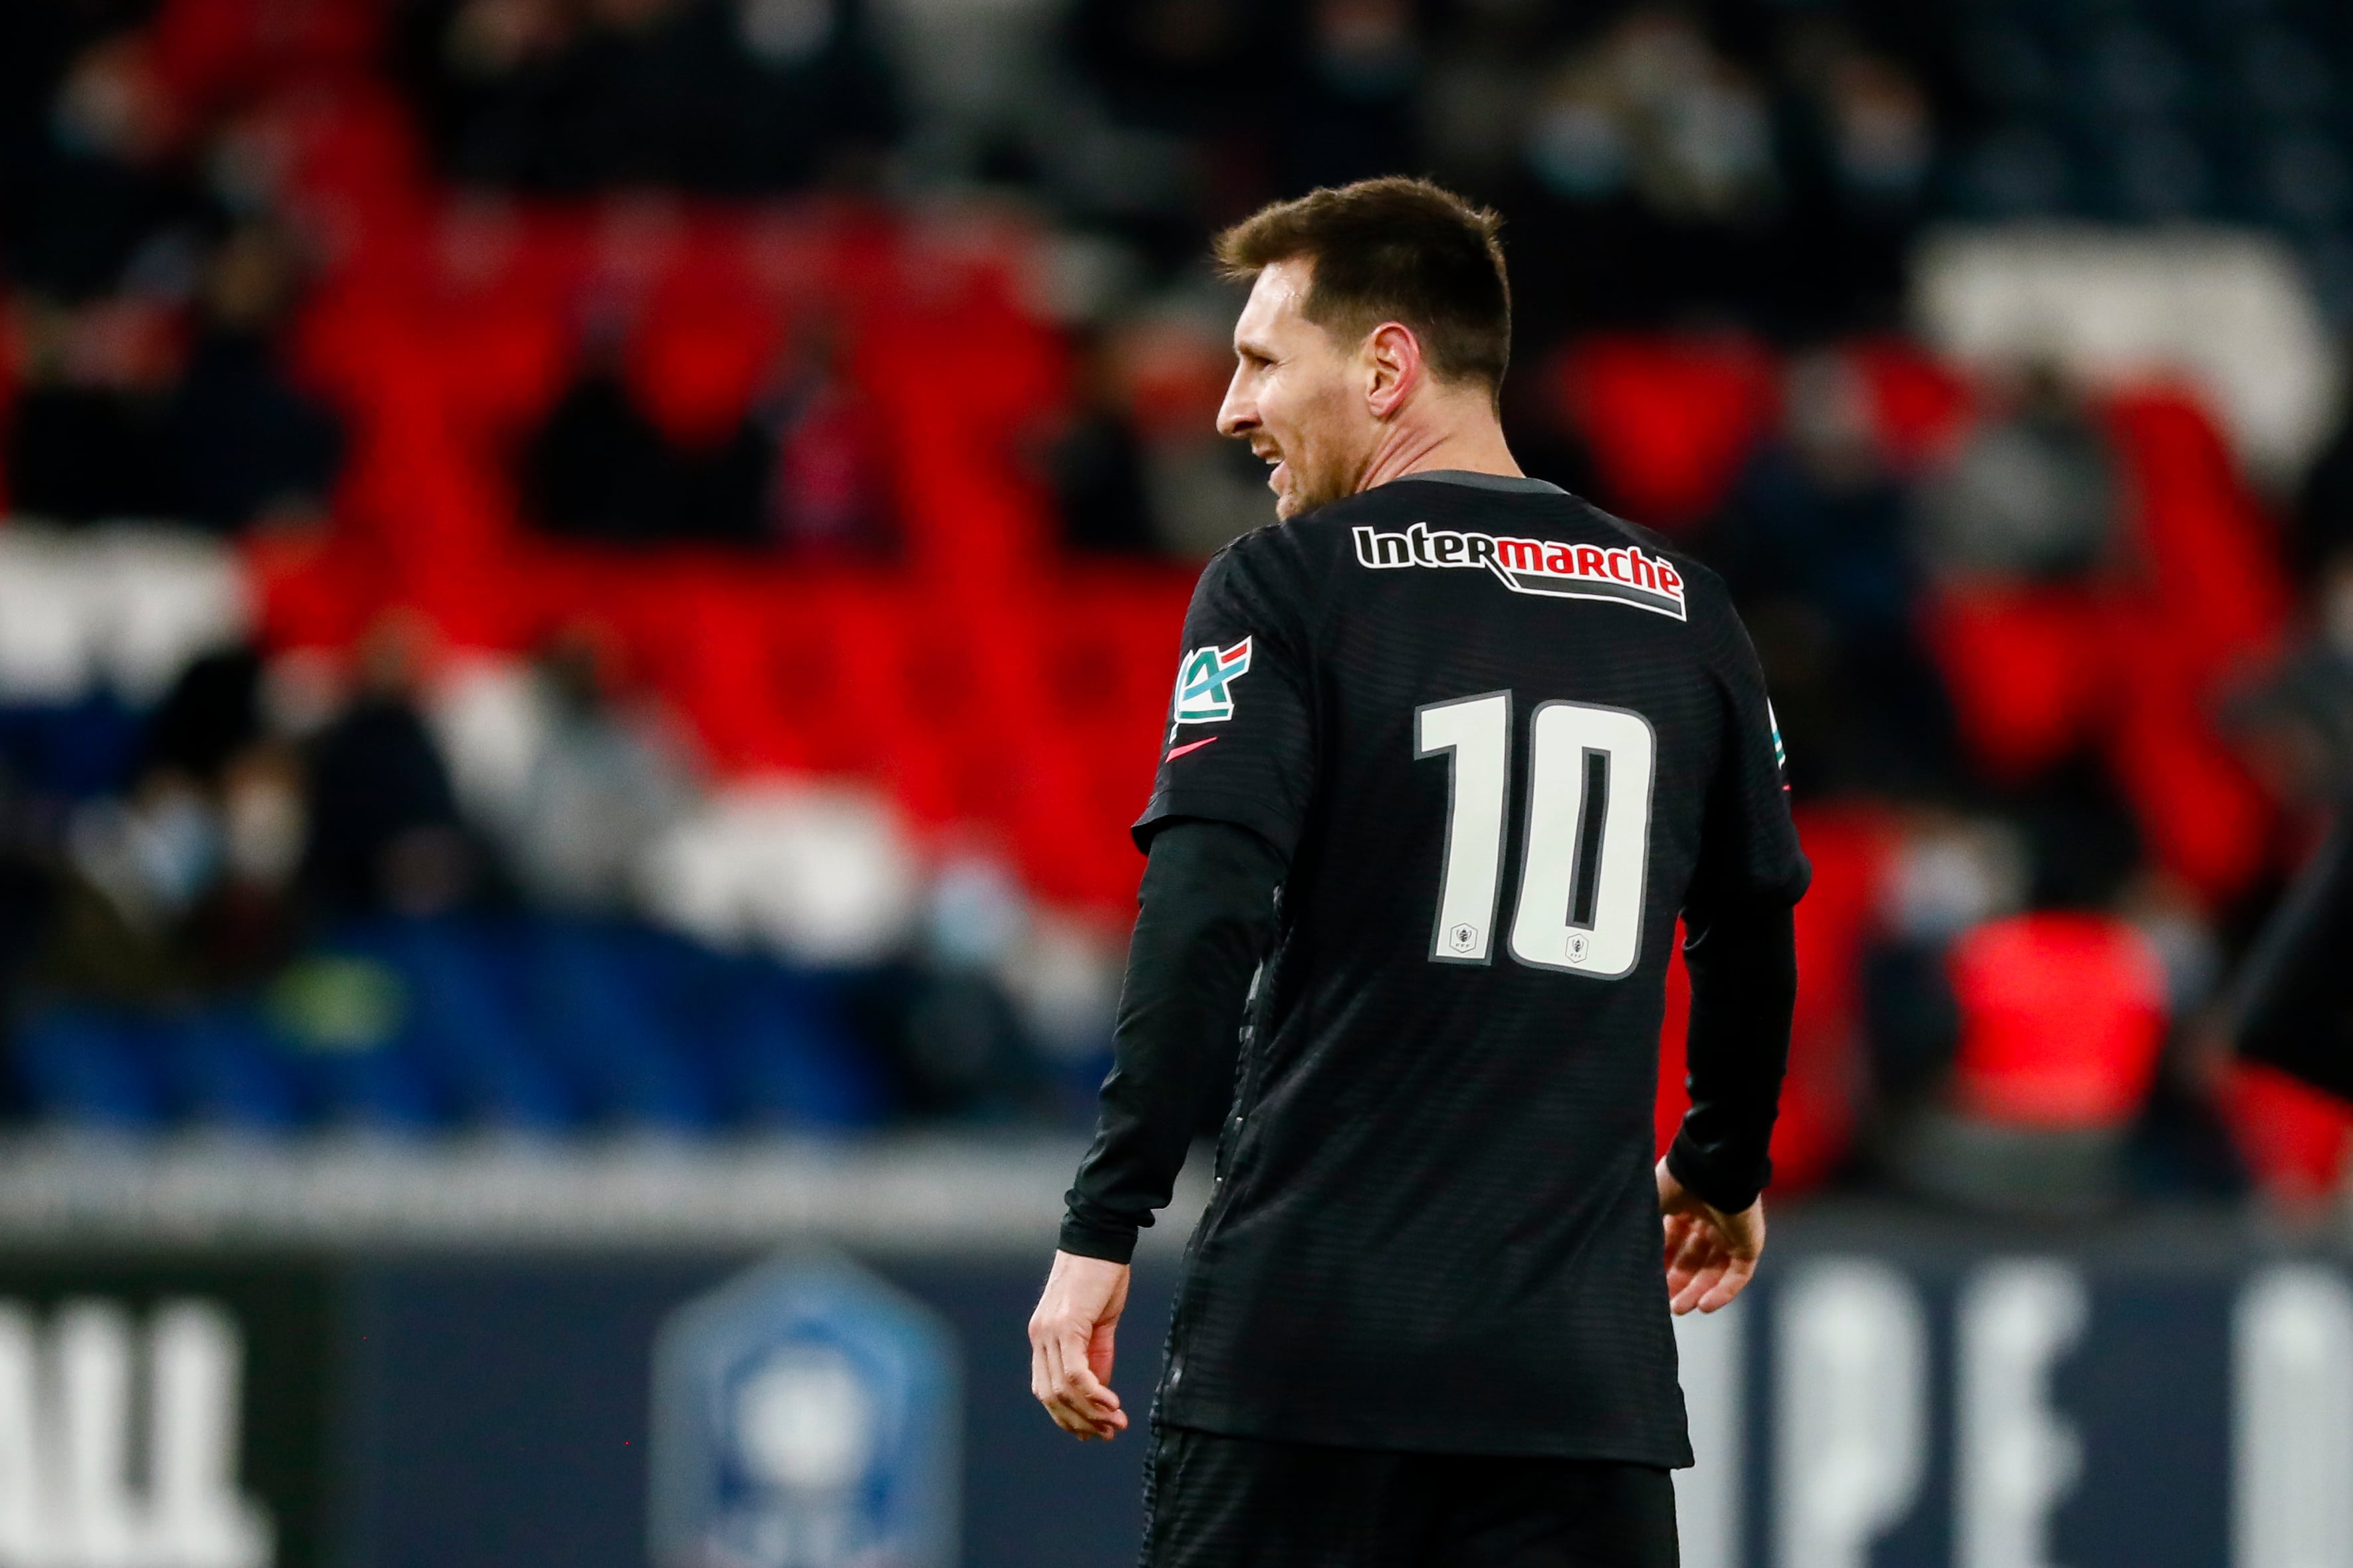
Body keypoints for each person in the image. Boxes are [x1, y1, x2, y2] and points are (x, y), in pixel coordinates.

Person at [1026, 177, 1808, 1567]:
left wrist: (1106, 1222)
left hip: (1312, 1359)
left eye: (1263, 359)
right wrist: (1721, 1155)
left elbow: (1205, 909)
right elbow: (1753, 924)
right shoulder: (1685, 610)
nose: (1230, 406)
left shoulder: (1292, 583)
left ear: (1386, 364)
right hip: (1579, 1393)